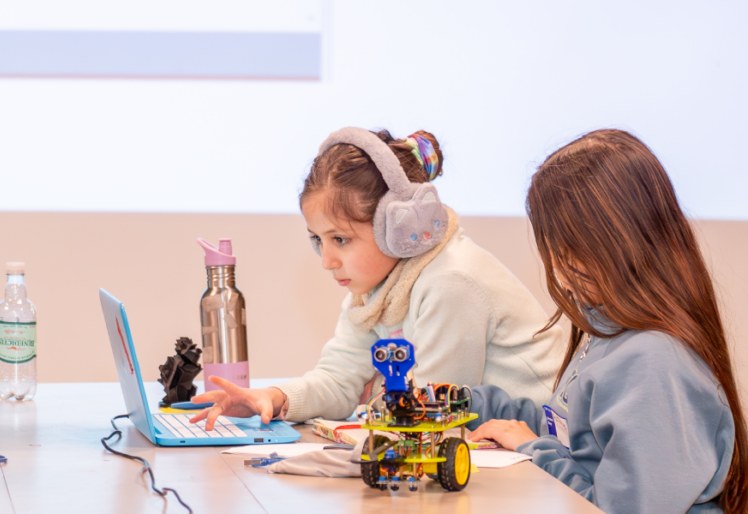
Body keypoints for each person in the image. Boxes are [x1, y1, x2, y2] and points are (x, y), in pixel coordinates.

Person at [191, 127, 565, 429]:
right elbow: (340, 380)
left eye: (340, 239)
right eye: (317, 240)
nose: (327, 260)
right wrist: (273, 398)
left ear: (400, 226)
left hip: (541, 455)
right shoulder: (375, 289)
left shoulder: (452, 282)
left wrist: (372, 397)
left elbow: (432, 411)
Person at [465, 129, 744, 513]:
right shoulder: (610, 330)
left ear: (615, 242)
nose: (559, 273)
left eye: (566, 251)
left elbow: (623, 508)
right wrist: (469, 404)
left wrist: (532, 450)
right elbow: (570, 436)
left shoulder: (654, 362)